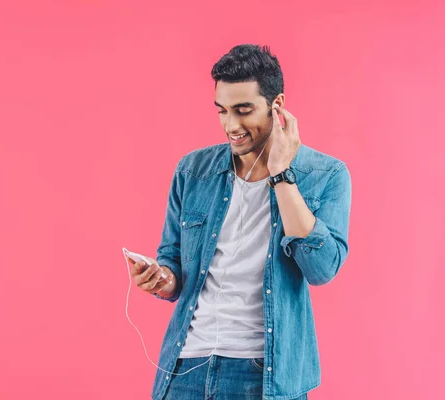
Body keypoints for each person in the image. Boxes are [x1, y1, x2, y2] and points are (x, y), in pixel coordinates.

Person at [126, 44, 352, 400]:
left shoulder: (325, 174)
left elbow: (322, 269)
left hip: (264, 374)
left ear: (276, 105)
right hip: (186, 366)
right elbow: (172, 263)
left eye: (243, 111)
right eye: (222, 111)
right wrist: (161, 279)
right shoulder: (193, 171)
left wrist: (281, 175)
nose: (231, 125)